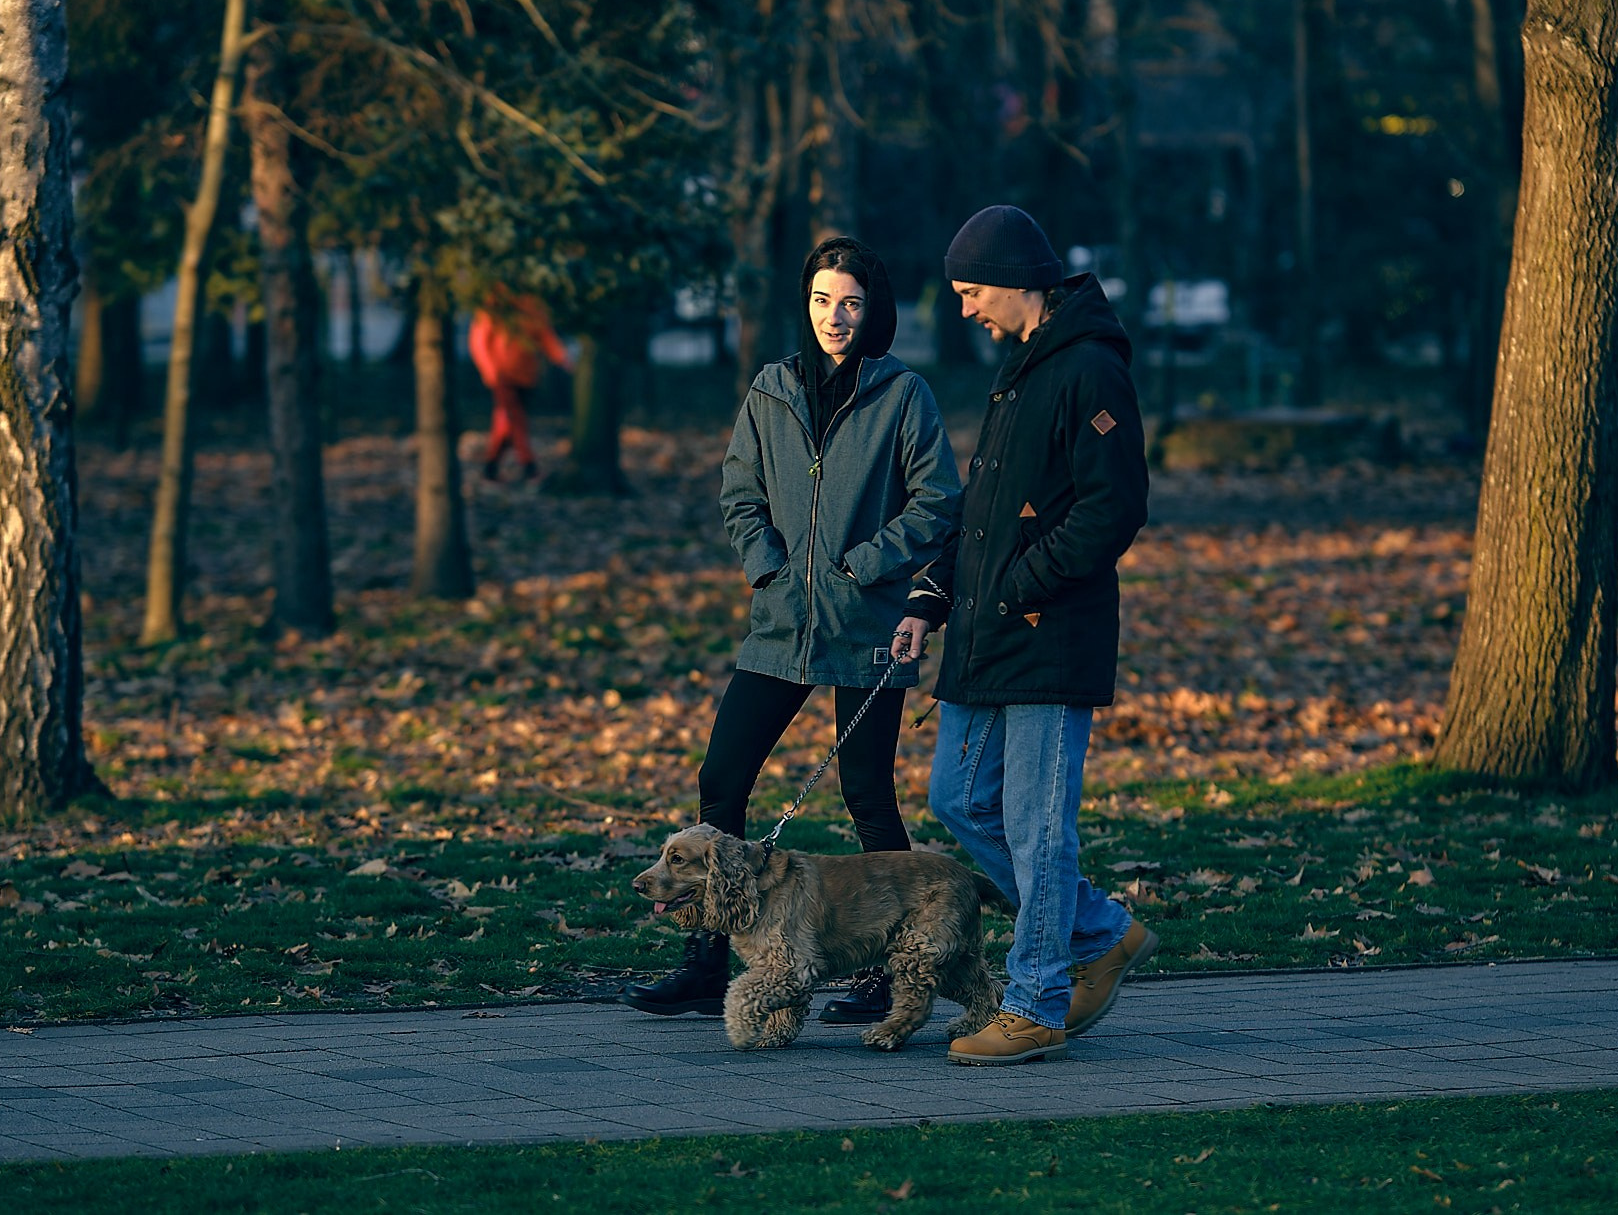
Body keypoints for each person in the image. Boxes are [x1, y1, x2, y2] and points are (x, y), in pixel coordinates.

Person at [623, 236, 960, 1024]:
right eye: (821, 300)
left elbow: (938, 500)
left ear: (873, 310)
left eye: (851, 303)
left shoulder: (903, 395)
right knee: (721, 781)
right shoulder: (771, 388)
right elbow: (739, 490)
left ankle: (885, 970)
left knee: (868, 796)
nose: (835, 317)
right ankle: (706, 958)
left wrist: (864, 563)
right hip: (780, 624)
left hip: (867, 623)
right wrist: (767, 568)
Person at [901, 205, 1155, 1065]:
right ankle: (1102, 931)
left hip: (1049, 636)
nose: (965, 308)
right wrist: (931, 598)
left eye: (972, 290)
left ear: (1015, 280)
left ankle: (1037, 1002)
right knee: (958, 799)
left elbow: (1113, 509)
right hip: (986, 636)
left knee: (1039, 828)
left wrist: (1021, 585)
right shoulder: (1021, 366)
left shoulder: (1089, 367)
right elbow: (984, 509)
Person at [468, 285, 570, 482]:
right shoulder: (493, 305)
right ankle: (529, 468)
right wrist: (490, 372)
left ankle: (490, 469)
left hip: (526, 375)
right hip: (502, 376)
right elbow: (479, 342)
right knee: (516, 420)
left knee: (505, 423)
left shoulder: (533, 303)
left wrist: (562, 358)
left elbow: (545, 335)